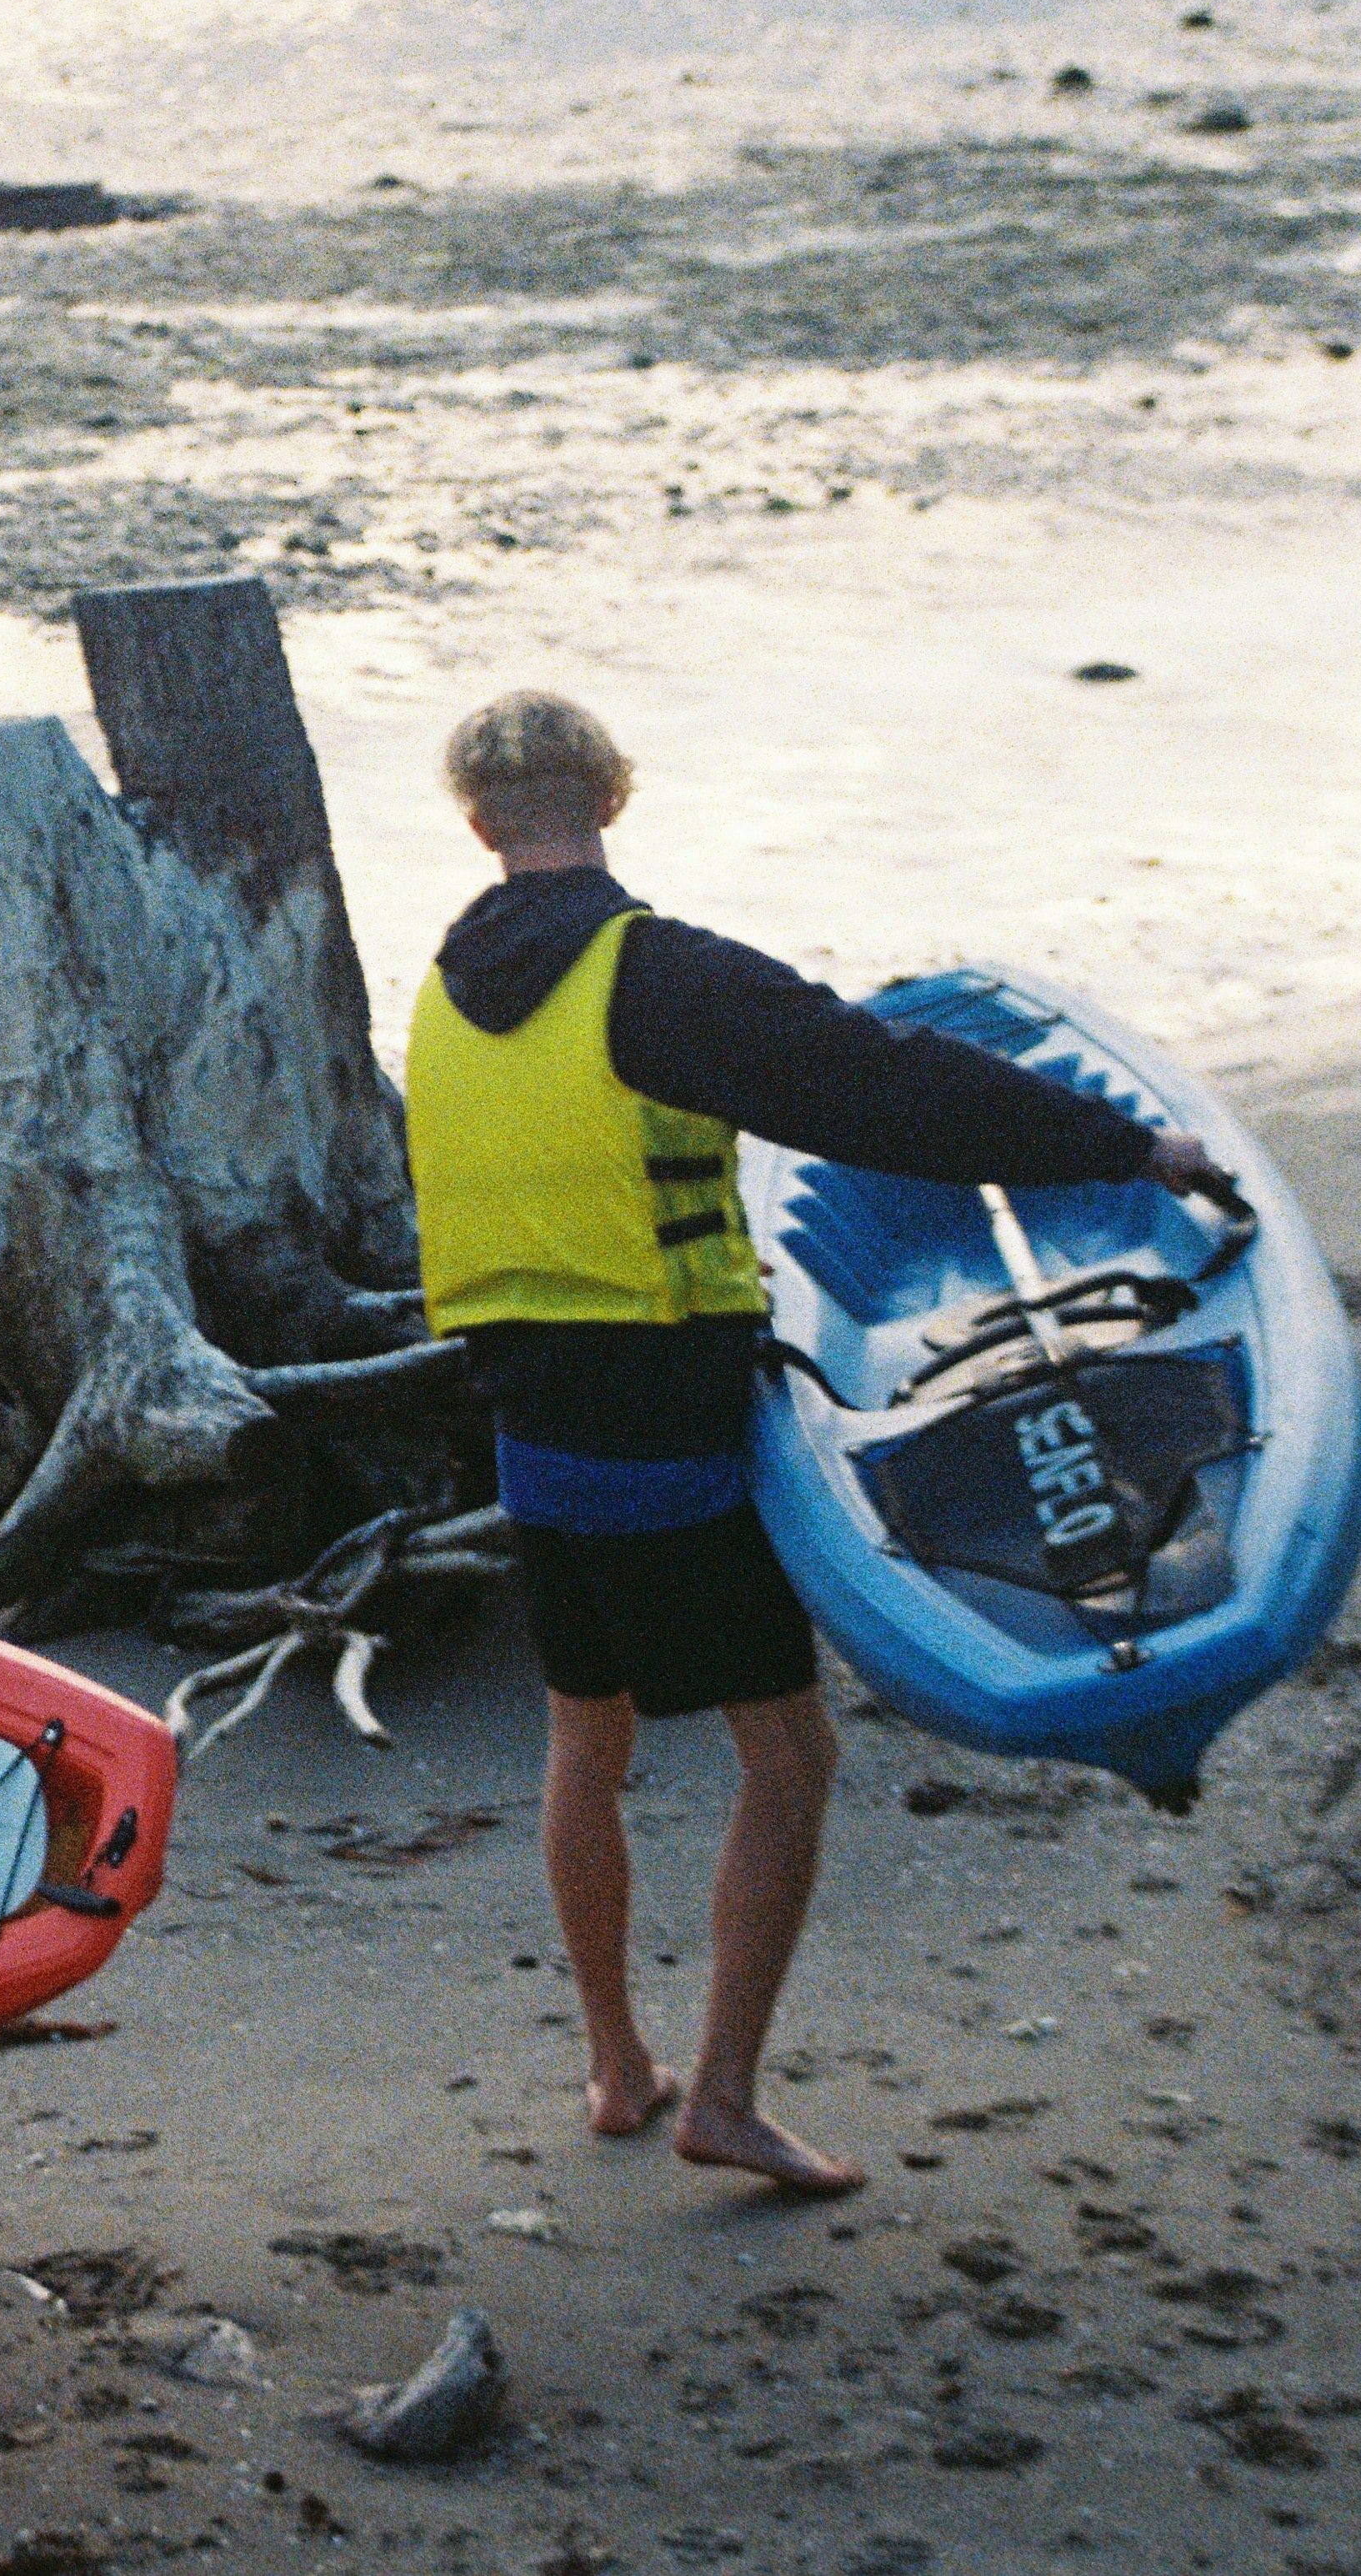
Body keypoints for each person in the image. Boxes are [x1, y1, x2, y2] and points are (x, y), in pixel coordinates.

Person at [403, 690, 1233, 2199]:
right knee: (785, 1750)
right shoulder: (656, 973)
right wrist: (1128, 1147)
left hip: (526, 1424)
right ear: (615, 794)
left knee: (587, 1740)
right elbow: (882, 1086)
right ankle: (722, 2096)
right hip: (663, 1417)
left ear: (476, 824)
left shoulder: (444, 993)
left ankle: (616, 2066)